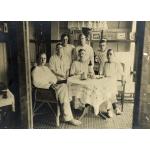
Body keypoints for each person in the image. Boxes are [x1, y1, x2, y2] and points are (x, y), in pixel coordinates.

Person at [32, 52, 81, 126]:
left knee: (65, 86)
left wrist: (53, 82)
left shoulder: (46, 68)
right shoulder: (35, 69)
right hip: (44, 91)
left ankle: (65, 114)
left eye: (44, 58)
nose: (43, 60)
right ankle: (68, 117)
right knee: (64, 88)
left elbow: (54, 78)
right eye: (41, 58)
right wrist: (49, 85)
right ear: (37, 59)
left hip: (52, 89)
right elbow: (36, 83)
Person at [103, 49, 124, 116]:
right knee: (109, 92)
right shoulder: (105, 63)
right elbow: (101, 74)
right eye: (108, 54)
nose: (109, 56)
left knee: (109, 92)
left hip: (113, 82)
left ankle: (109, 110)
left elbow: (122, 73)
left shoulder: (116, 63)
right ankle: (115, 108)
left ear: (113, 55)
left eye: (110, 54)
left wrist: (123, 80)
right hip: (105, 82)